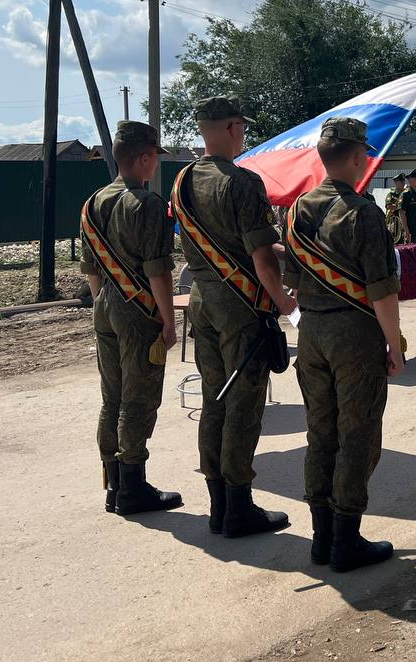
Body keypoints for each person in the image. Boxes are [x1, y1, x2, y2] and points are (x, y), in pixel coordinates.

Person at [283, 117, 406, 572]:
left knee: (321, 433)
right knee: (357, 435)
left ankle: (321, 537)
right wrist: (393, 345)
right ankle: (346, 540)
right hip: (354, 335)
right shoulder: (364, 212)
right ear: (357, 157)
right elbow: (381, 289)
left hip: (311, 332)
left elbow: (292, 279)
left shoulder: (296, 211)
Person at [173, 96, 298, 538]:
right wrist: (282, 299)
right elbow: (261, 254)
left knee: (214, 401)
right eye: (241, 127)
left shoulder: (183, 179)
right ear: (228, 128)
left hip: (201, 298)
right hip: (240, 304)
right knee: (243, 405)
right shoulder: (242, 182)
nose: (244, 134)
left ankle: (218, 506)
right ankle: (240, 508)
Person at [79, 120, 182, 517]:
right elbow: (158, 269)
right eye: (155, 155)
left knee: (112, 398)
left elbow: (91, 267)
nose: (156, 163)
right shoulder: (147, 204)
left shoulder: (93, 202)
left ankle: (114, 484)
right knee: (138, 400)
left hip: (104, 303)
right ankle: (134, 489)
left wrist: (104, 303)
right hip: (138, 310)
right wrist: (168, 321)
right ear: (143, 157)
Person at [385, 172, 406, 245]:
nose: (403, 183)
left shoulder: (406, 193)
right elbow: (389, 206)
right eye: (401, 181)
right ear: (395, 183)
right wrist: (400, 206)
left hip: (406, 222)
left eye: (403, 181)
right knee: (395, 243)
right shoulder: (391, 194)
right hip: (395, 222)